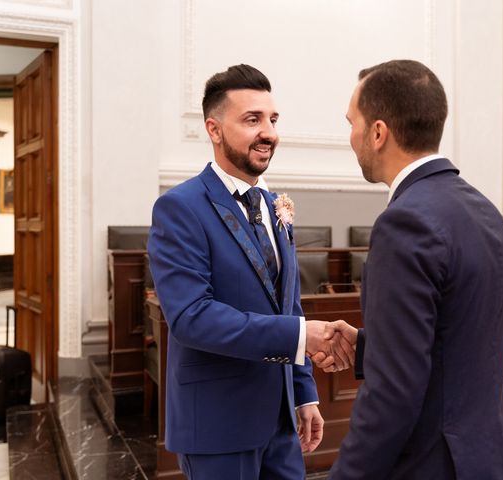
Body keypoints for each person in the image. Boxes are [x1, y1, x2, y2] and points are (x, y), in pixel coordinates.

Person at [314, 60, 503, 479]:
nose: (350, 136)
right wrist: (373, 347)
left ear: (378, 133)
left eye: (351, 122)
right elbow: (459, 338)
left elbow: (393, 394)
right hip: (492, 456)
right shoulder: (483, 209)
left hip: (435, 464)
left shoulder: (404, 223)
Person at [148, 64, 355, 480]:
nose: (269, 132)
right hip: (217, 423)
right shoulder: (180, 208)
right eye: (252, 119)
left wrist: (302, 394)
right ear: (214, 129)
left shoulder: (275, 205)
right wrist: (300, 337)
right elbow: (192, 318)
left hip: (280, 422)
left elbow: (287, 305)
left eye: (273, 120)